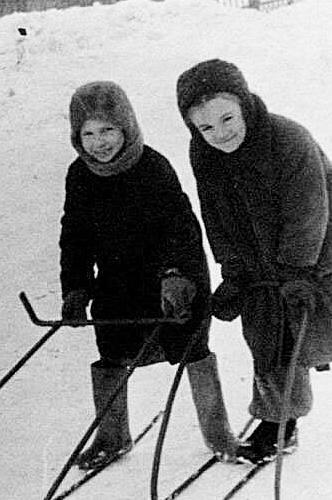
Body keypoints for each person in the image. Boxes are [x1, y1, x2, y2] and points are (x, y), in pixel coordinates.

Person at [176, 58, 332, 464]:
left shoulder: (288, 139)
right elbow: (215, 214)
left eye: (227, 118)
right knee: (267, 339)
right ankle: (279, 422)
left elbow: (310, 211)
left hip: (324, 253)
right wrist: (235, 271)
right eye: (205, 127)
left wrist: (297, 271)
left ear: (244, 104)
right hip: (262, 263)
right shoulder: (204, 154)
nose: (220, 134)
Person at [59, 80, 239, 471]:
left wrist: (177, 276)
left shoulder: (152, 167)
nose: (99, 142)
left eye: (107, 130)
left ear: (126, 126)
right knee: (112, 352)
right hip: (118, 281)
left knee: (191, 346)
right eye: (87, 134)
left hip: (173, 278)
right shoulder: (79, 176)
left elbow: (180, 228)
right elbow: (74, 235)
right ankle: (111, 435)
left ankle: (218, 431)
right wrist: (75, 287)